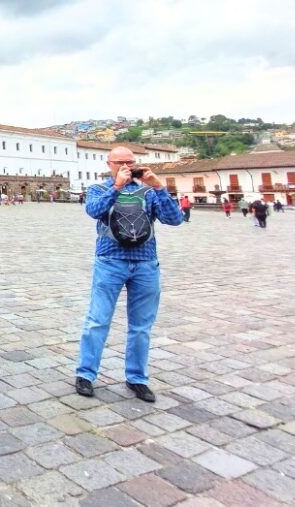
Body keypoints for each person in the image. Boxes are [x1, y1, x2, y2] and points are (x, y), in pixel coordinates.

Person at [75, 146, 183, 403]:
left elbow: (175, 218)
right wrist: (117, 187)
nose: (125, 166)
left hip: (145, 264)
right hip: (110, 262)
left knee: (141, 327)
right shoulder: (99, 189)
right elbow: (94, 211)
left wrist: (158, 186)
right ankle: (86, 374)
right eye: (120, 162)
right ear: (109, 164)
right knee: (97, 320)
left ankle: (137, 378)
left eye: (130, 162)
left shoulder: (148, 191)